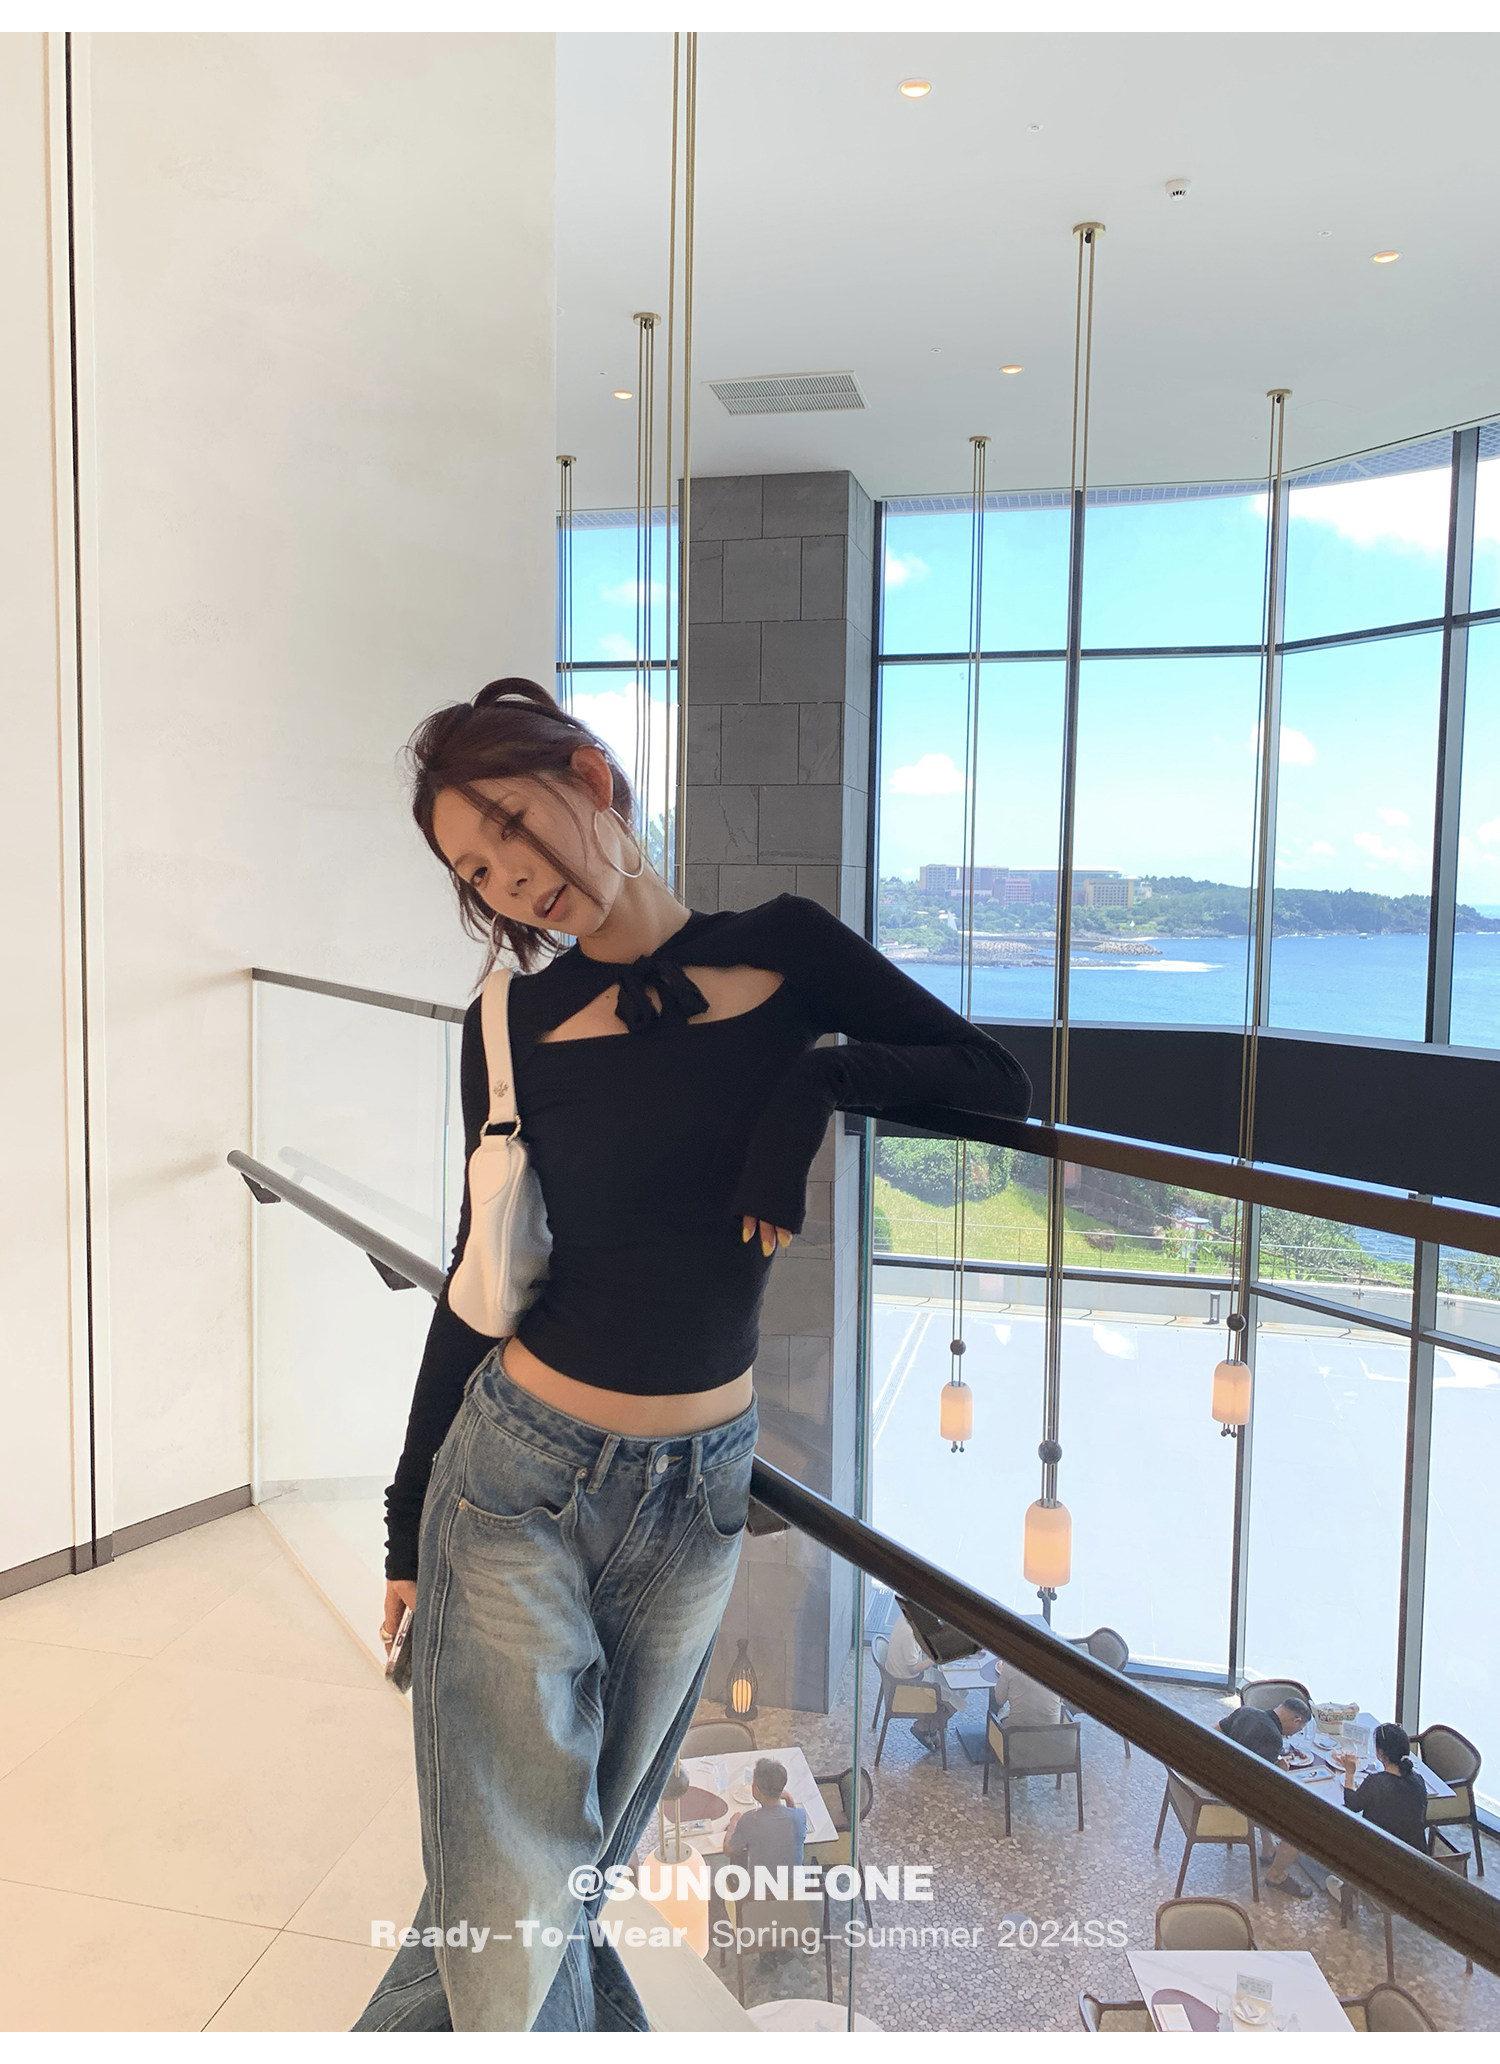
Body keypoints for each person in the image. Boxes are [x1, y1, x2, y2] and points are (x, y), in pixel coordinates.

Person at [352, 679, 1032, 2031]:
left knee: (551, 1882)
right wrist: (404, 1520)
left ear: (590, 777)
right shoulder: (510, 1025)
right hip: (517, 1484)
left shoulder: (785, 950)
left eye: (509, 831)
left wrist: (817, 1083)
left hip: (702, 1495)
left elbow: (991, 1080)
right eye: (476, 873)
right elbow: (477, 1280)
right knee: (521, 1893)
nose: (510, 882)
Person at [1217, 1695, 1315, 1897]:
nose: (1293, 1735)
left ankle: (1268, 1848)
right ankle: (1277, 1876)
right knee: (1303, 1823)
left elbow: (1215, 1732)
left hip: (1220, 1781)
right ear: (1297, 1720)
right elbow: (1263, 1786)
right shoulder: (1273, 1737)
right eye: (1299, 1729)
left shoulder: (1246, 1711)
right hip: (1238, 1800)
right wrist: (1280, 1771)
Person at [1338, 1722, 1428, 1851]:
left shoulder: (1376, 1783)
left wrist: (1350, 1773)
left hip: (1381, 1851)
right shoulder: (1418, 1780)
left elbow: (1351, 1805)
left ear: (1380, 1752)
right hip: (1415, 1852)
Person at [885, 1605, 964, 1751]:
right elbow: (913, 1667)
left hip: (903, 1677)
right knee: (956, 1699)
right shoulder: (910, 1634)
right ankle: (926, 1726)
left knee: (955, 1690)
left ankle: (926, 1726)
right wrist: (936, 1658)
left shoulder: (907, 1618)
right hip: (907, 1684)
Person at [724, 1757, 809, 1873]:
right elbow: (794, 1819)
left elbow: (728, 1850)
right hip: (794, 1884)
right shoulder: (800, 1816)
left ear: (756, 1790)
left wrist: (733, 1824)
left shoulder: (749, 1820)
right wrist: (789, 1799)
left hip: (761, 1884)